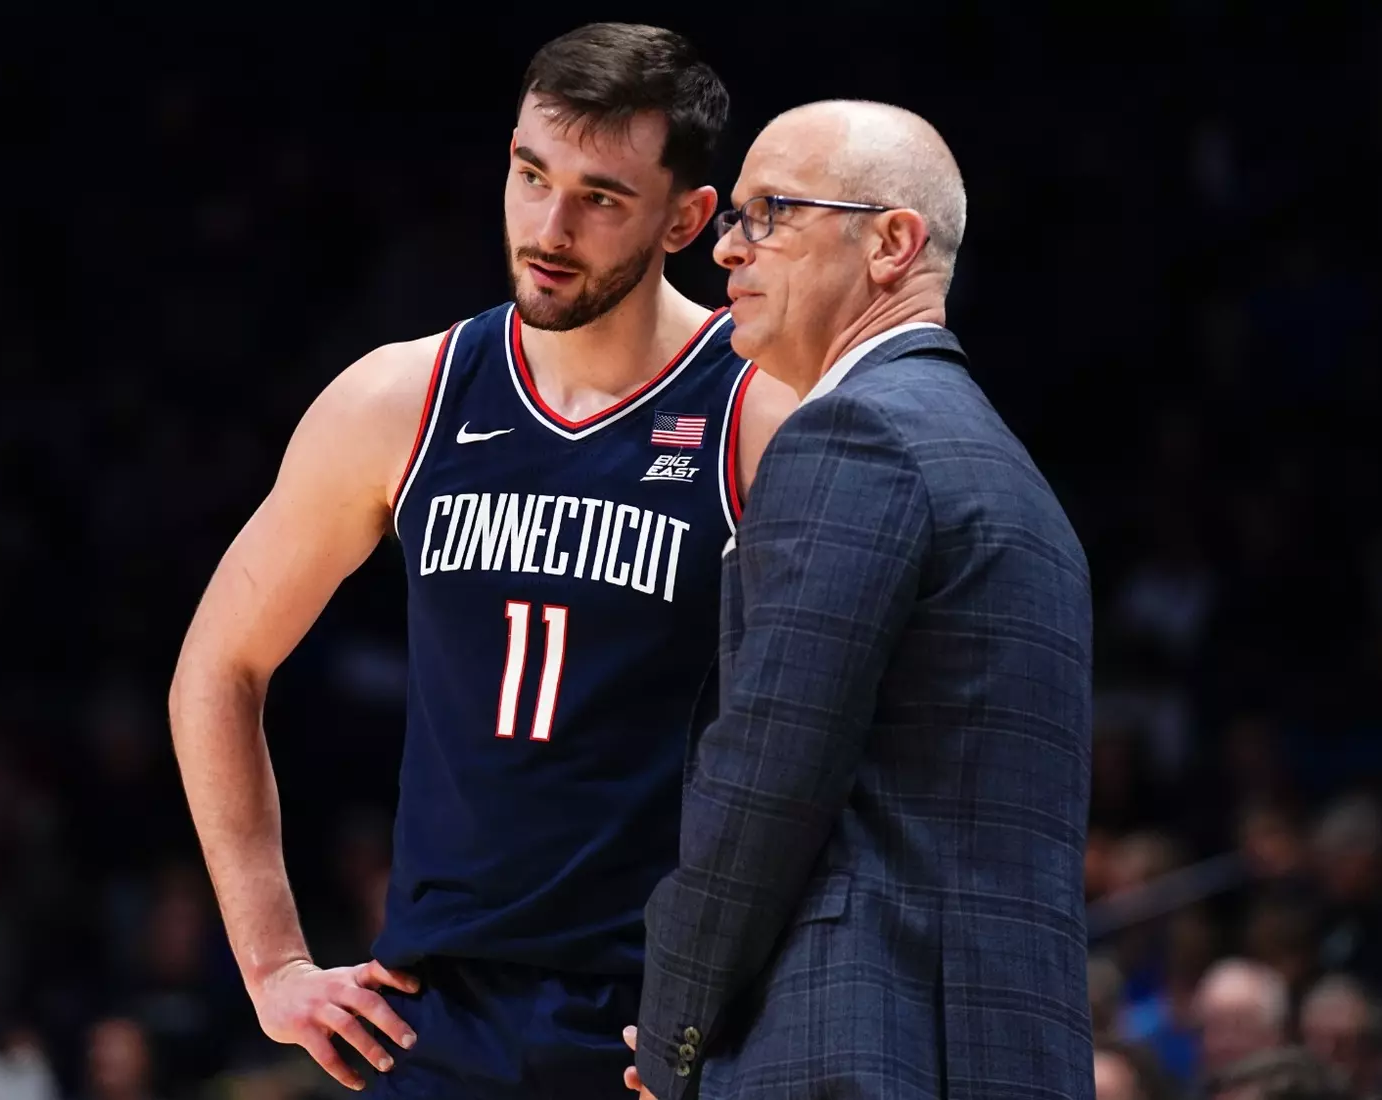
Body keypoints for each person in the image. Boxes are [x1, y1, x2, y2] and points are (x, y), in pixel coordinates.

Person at [166, 22, 795, 1098]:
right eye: (531, 173)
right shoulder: (399, 397)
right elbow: (216, 667)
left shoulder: (759, 415)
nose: (550, 226)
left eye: (601, 196)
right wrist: (273, 962)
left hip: (660, 1021)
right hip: (432, 1016)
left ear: (688, 219)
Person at [623, 100, 1093, 1099]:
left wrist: (674, 1025)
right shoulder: (1015, 479)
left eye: (768, 213)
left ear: (889, 241)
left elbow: (766, 771)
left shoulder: (854, 437)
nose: (726, 251)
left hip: (848, 1042)